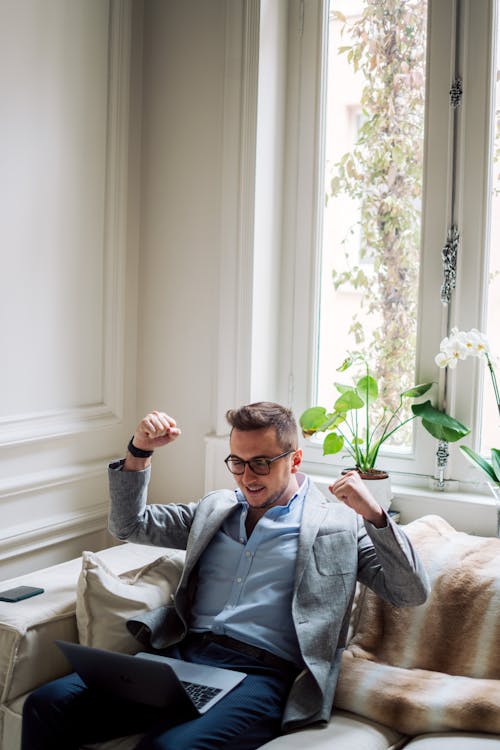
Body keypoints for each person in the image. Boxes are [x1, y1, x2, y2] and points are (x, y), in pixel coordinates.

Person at [22, 402, 430, 750]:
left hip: (262, 675)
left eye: (261, 463)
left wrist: (374, 514)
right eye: (237, 462)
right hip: (181, 658)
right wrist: (139, 451)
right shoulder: (215, 509)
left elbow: (409, 591)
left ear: (295, 459)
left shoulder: (338, 524)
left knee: (169, 747)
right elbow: (130, 525)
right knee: (47, 703)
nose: (247, 476)